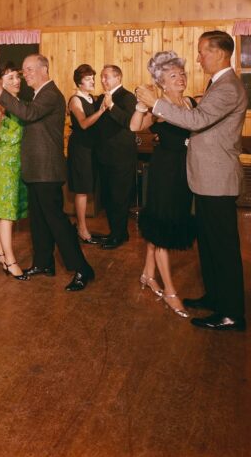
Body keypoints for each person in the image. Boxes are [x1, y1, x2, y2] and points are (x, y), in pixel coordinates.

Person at [137, 30, 247, 331]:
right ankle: (216, 298)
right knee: (209, 245)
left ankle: (232, 313)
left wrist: (156, 104)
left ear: (219, 53)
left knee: (222, 247)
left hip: (217, 178)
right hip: (205, 178)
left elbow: (197, 121)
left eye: (202, 52)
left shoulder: (227, 87)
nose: (198, 59)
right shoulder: (218, 84)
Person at [0, 54, 94, 291]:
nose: (25, 75)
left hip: (47, 170)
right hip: (35, 169)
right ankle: (44, 263)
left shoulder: (51, 94)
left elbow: (28, 114)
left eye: (29, 69)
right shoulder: (38, 95)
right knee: (39, 221)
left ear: (44, 69)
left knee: (57, 221)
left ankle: (82, 269)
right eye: (24, 71)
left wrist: (0, 92)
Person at [131, 52, 197, 318]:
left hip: (185, 172)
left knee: (167, 222)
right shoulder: (159, 108)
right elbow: (135, 126)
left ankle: (148, 275)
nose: (180, 78)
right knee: (161, 225)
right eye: (173, 76)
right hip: (164, 173)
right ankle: (170, 291)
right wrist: (141, 104)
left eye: (182, 74)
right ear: (162, 83)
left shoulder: (191, 102)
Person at [0, 62, 29, 281]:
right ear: (0, 82)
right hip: (5, 163)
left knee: (9, 209)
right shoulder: (1, 104)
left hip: (18, 162)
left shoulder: (18, 102)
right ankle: (10, 260)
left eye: (16, 77)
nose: (16, 81)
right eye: (10, 78)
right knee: (6, 212)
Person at [94, 64, 138, 249]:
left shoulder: (127, 97)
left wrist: (111, 106)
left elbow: (129, 122)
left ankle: (118, 235)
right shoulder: (100, 98)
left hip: (121, 156)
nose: (103, 80)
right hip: (104, 156)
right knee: (108, 198)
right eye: (102, 77)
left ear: (118, 78)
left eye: (107, 77)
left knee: (119, 197)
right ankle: (117, 232)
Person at [67, 64, 106, 244]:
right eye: (88, 79)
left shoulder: (92, 98)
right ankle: (81, 229)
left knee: (88, 187)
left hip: (93, 147)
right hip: (80, 148)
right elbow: (83, 124)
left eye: (93, 78)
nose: (92, 81)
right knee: (82, 190)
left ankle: (82, 226)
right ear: (79, 82)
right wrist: (101, 111)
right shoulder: (75, 100)